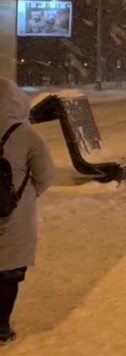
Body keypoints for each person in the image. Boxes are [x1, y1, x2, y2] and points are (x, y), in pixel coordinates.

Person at [0, 80, 55, 343]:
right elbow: (45, 176)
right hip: (13, 213)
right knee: (8, 271)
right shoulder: (27, 135)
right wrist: (24, 197)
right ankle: (0, 324)